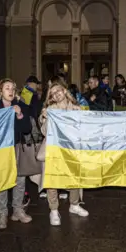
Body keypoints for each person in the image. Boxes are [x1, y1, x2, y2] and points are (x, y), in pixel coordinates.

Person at [0, 78, 33, 229]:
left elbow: (27, 129)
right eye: (7, 88)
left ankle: (18, 210)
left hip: (16, 147)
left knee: (20, 179)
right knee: (2, 180)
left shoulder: (20, 105)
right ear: (0, 91)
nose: (10, 91)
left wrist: (20, 115)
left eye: (12, 88)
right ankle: (2, 213)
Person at [39, 82, 90, 226]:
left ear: (65, 90)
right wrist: (45, 118)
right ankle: (54, 210)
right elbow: (44, 132)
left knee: (74, 177)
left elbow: (85, 128)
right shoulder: (50, 110)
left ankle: (74, 205)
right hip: (55, 149)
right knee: (52, 179)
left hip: (72, 149)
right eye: (53, 93)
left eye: (58, 91)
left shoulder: (77, 108)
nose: (56, 94)